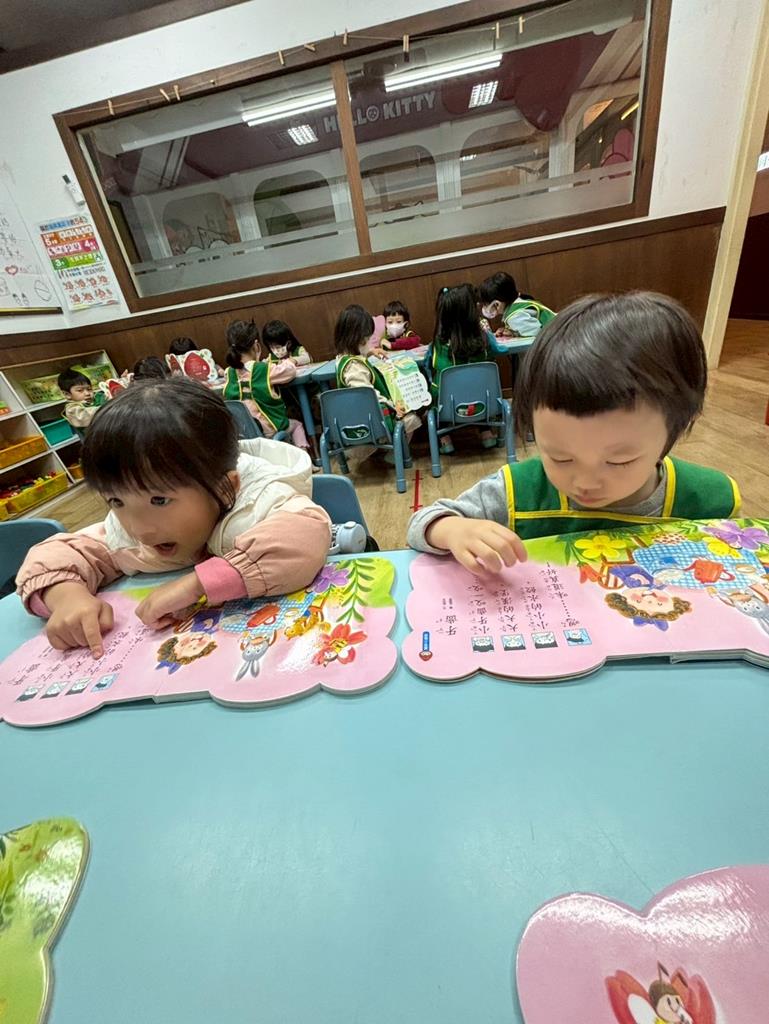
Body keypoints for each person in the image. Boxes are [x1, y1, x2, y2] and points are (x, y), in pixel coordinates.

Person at [408, 292, 741, 574]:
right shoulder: (519, 491)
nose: (585, 482)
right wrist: (454, 529)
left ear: (675, 429)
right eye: (560, 457)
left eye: (619, 461)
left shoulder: (710, 500)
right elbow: (424, 521)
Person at [16, 378, 330, 656]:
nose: (140, 529)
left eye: (159, 500)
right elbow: (58, 554)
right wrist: (66, 597)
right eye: (116, 501)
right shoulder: (129, 534)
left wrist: (197, 584)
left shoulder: (259, 501)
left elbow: (306, 533)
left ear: (225, 488)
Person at [334, 304, 420, 443]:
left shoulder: (342, 358)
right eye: (368, 338)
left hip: (360, 418)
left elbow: (356, 358)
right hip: (371, 423)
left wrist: (370, 352)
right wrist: (392, 406)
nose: (369, 341)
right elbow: (369, 395)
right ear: (360, 339)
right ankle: (396, 452)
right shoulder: (354, 367)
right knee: (411, 418)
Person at [223, 319, 310, 452]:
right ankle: (304, 458)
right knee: (296, 425)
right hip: (268, 428)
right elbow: (290, 372)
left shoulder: (228, 373)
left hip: (244, 431)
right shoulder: (263, 370)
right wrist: (290, 361)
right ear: (256, 346)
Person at [430, 283, 495, 454]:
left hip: (448, 409)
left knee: (435, 386)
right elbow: (496, 354)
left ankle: (445, 438)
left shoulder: (440, 345)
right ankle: (486, 432)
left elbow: (434, 376)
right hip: (485, 404)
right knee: (479, 385)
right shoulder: (484, 340)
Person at [479, 271, 555, 339]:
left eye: (485, 304)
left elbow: (536, 335)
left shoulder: (515, 316)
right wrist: (512, 332)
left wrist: (515, 333)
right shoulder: (520, 302)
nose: (484, 308)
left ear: (496, 304)